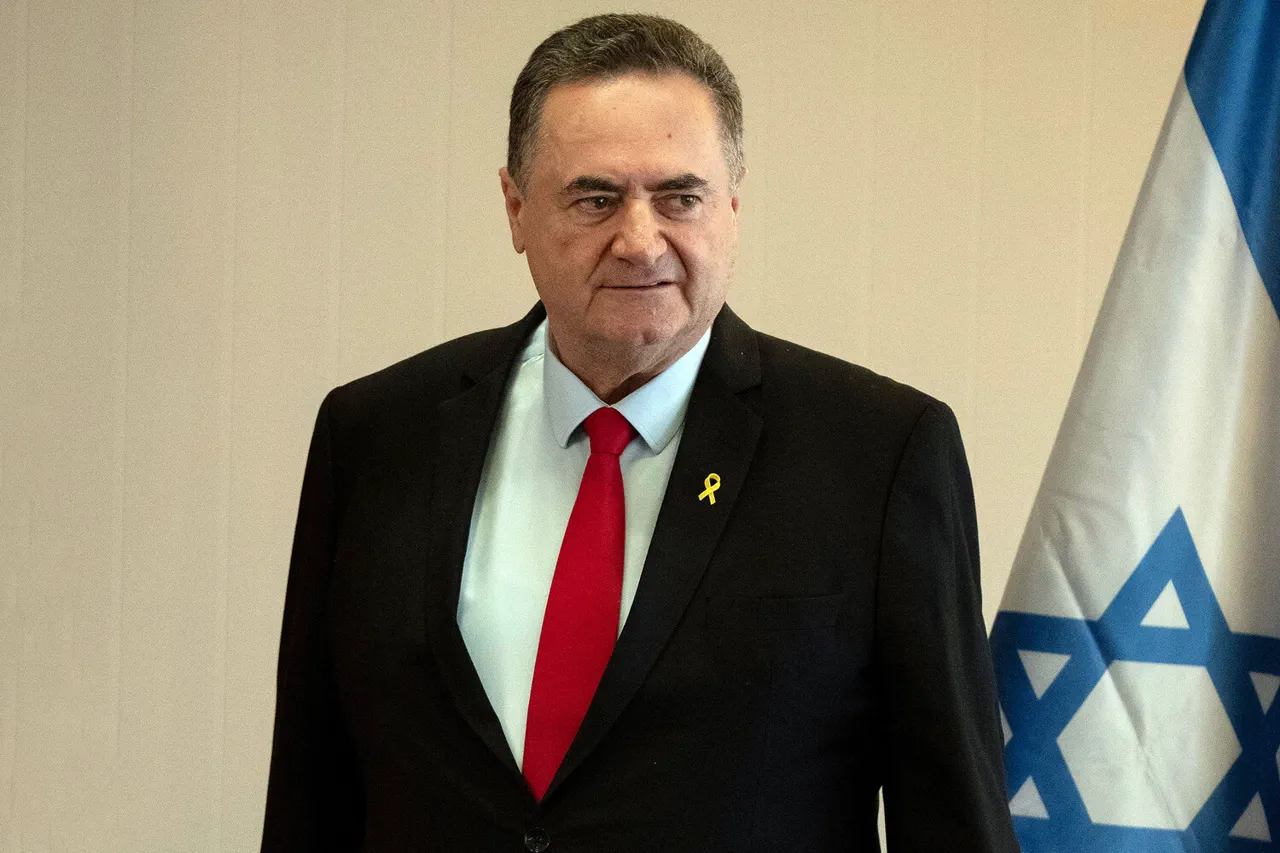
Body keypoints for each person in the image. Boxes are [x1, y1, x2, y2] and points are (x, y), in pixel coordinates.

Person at [261, 13, 1019, 852]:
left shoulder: (879, 455)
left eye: (679, 198)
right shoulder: (373, 436)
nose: (639, 240)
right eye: (595, 198)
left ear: (733, 207)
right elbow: (311, 795)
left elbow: (954, 820)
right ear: (515, 209)